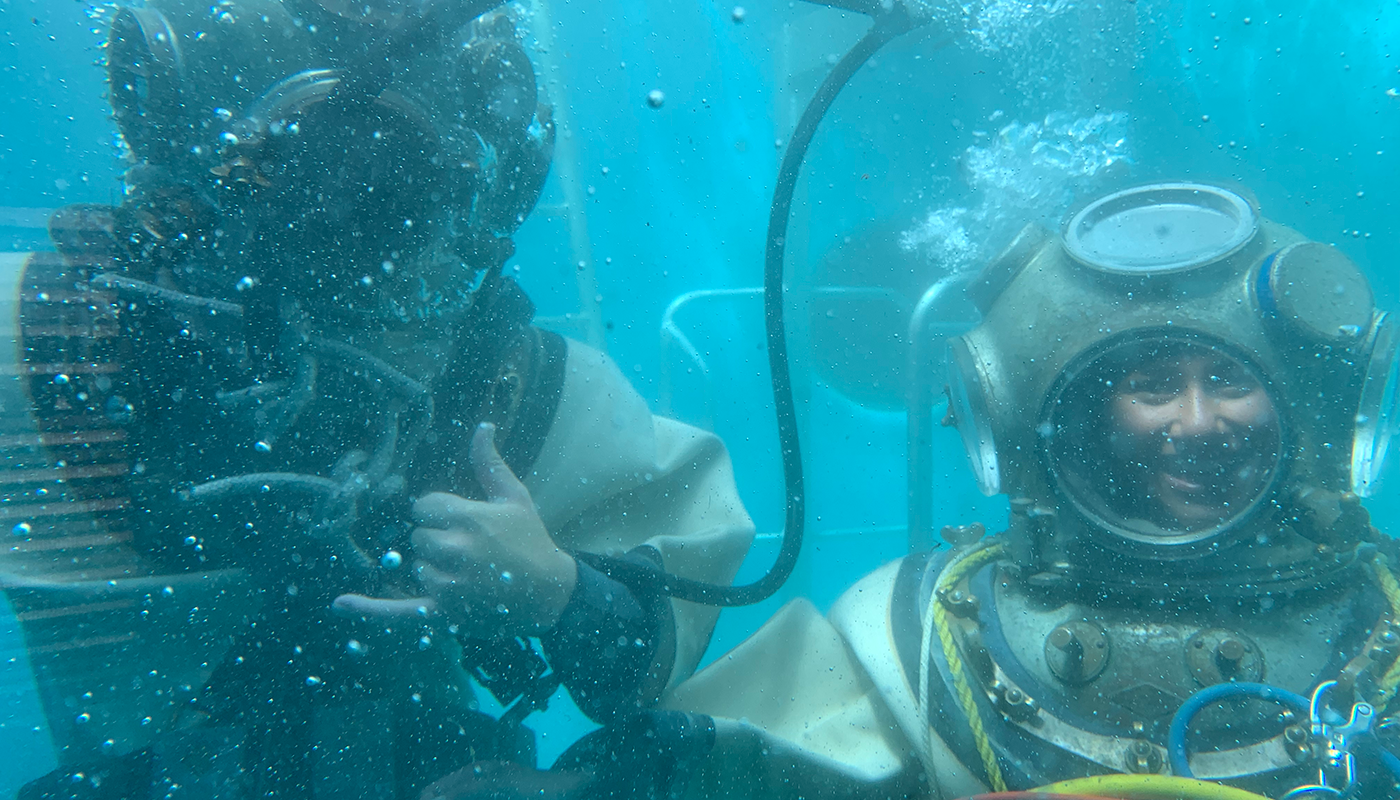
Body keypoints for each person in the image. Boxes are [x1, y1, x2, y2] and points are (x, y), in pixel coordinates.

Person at [0, 2, 754, 798]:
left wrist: (557, 592)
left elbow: (652, 660)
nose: (342, 228)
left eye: (389, 198)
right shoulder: (44, 349)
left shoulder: (515, 389)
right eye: (310, 190)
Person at [569, 182, 1400, 800]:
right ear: (1067, 420)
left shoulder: (1384, 634)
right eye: (1152, 385)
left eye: (1228, 378)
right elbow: (712, 765)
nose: (1201, 421)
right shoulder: (917, 639)